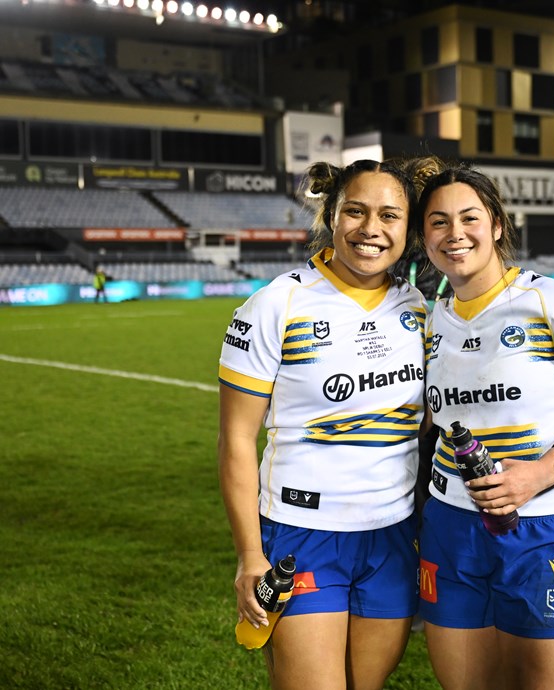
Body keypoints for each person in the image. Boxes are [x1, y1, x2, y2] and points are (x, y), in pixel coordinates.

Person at [415, 160, 554, 690]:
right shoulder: (427, 321)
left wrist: (538, 474)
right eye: (438, 222)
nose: (455, 234)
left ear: (496, 225)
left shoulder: (552, 300)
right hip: (449, 529)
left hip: (544, 527)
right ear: (423, 238)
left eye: (469, 218)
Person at [217, 158, 428, 690]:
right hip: (300, 536)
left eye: (389, 215)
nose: (371, 229)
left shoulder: (418, 306)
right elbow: (237, 439)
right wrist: (249, 555)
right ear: (331, 215)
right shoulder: (274, 305)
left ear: (408, 227)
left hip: (391, 536)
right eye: (355, 211)